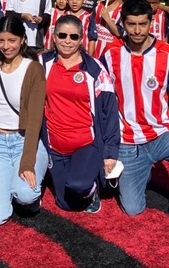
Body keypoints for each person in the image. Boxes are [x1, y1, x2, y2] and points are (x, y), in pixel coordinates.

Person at [100, 0, 169, 234]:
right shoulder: (110, 54)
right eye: (131, 24)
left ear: (151, 22)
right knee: (133, 209)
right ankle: (143, 169)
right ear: (123, 23)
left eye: (143, 24)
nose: (137, 30)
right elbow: (101, 97)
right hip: (128, 141)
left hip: (162, 135)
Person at [40, 15, 119, 214]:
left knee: (78, 186)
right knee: (66, 205)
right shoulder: (41, 64)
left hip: (85, 144)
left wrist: (110, 153)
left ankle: (93, 188)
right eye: (62, 35)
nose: (67, 41)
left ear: (81, 39)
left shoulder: (94, 69)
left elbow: (110, 111)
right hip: (54, 146)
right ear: (54, 36)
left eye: (74, 37)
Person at [0, 16, 48, 226]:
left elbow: (34, 120)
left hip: (24, 140)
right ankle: (6, 185)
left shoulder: (33, 69)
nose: (6, 46)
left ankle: (25, 189)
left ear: (23, 40)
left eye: (12, 40)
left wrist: (27, 163)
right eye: (1, 40)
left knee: (25, 194)